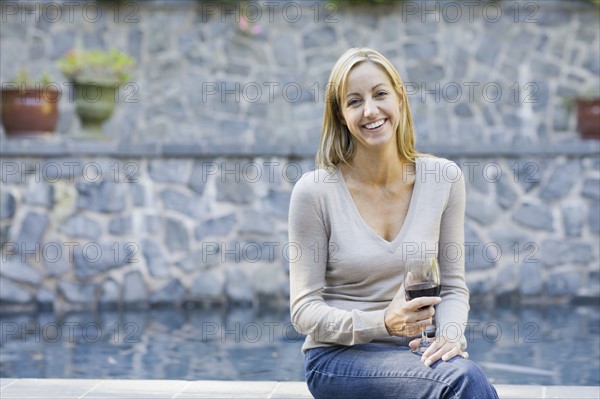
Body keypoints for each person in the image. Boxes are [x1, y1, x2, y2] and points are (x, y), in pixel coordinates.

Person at [288, 48, 499, 399]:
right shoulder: (314, 192)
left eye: (380, 94)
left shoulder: (444, 178)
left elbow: (453, 287)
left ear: (400, 100)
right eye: (354, 101)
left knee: (461, 373)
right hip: (338, 358)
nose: (370, 110)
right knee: (461, 381)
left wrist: (448, 337)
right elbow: (304, 312)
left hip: (416, 350)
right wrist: (382, 323)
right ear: (340, 116)